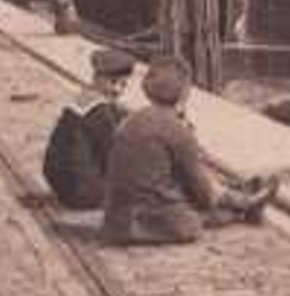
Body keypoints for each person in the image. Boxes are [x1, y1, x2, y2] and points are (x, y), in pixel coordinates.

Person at [101, 55, 277, 245]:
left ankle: (241, 199)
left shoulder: (129, 120)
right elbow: (204, 195)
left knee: (182, 192)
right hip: (148, 224)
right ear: (184, 93)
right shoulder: (178, 130)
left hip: (115, 221)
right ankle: (244, 205)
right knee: (197, 215)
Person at [43, 47, 136, 210]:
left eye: (123, 84)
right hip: (82, 192)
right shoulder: (100, 112)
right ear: (97, 78)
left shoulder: (82, 100)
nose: (117, 90)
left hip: (60, 182)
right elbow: (112, 155)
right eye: (113, 82)